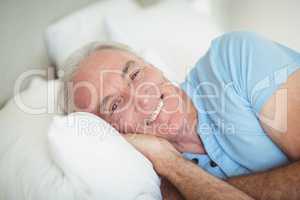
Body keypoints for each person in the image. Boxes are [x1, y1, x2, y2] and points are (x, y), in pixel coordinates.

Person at [60, 32, 300, 199]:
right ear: (111, 133)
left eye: (135, 74)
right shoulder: (147, 178)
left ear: (152, 65)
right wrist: (170, 165)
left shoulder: (233, 58)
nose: (143, 98)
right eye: (114, 105)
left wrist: (196, 186)